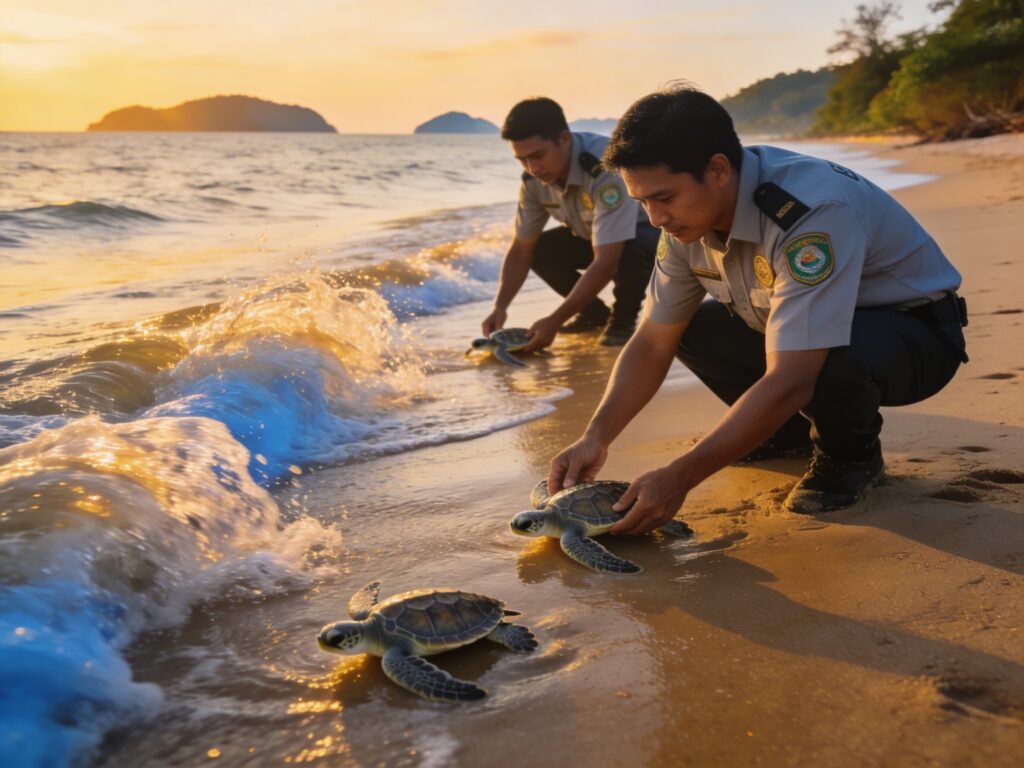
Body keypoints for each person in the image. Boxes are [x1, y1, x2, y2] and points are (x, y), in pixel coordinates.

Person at [547, 85, 967, 527]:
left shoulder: (809, 212)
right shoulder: (685, 223)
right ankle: (786, 437)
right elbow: (652, 340)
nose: (655, 219)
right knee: (687, 328)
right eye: (643, 202)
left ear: (718, 170)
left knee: (829, 354)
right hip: (816, 329)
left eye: (665, 198)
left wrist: (681, 476)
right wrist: (595, 438)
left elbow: (792, 377)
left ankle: (851, 458)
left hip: (916, 336)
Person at [482, 97, 659, 348]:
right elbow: (522, 248)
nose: (532, 167)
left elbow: (607, 260)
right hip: (598, 238)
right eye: (522, 160)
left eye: (538, 155)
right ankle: (593, 314)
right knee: (540, 251)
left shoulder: (604, 165)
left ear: (564, 139)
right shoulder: (533, 181)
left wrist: (554, 320)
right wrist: (500, 307)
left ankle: (622, 323)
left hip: (656, 242)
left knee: (629, 248)